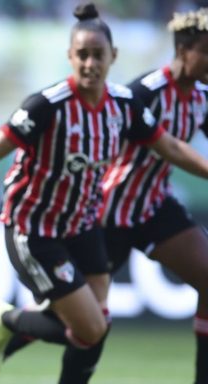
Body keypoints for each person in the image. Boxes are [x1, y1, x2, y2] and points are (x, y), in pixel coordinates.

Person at [0, 3, 208, 384]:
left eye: (98, 55)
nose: (89, 64)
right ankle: (0, 324)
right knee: (90, 327)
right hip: (58, 223)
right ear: (70, 57)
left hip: (100, 219)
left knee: (93, 325)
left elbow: (172, 147)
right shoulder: (51, 105)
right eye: (82, 55)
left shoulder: (126, 105)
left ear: (112, 57)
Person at [101, 7, 208, 384]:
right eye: (207, 52)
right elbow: (103, 138)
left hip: (153, 206)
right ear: (184, 50)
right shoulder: (144, 92)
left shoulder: (201, 97)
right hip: (108, 211)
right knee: (73, 317)